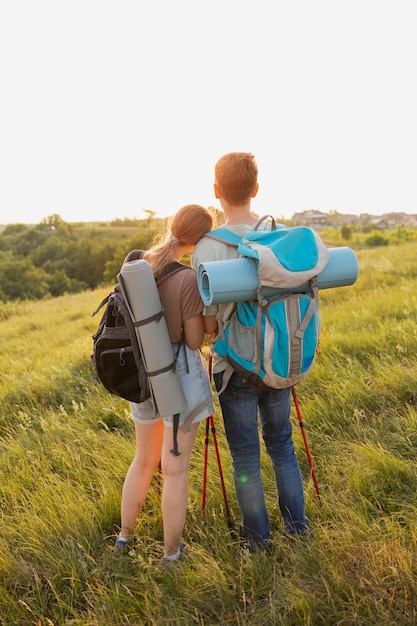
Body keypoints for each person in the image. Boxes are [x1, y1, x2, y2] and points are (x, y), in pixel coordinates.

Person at [192, 152, 310, 552]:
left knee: (245, 457)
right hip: (278, 358)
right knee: (282, 445)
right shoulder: (280, 238)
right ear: (256, 189)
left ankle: (258, 542)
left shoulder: (205, 247)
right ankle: (299, 529)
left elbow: (208, 324)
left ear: (216, 193)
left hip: (233, 367)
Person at [115, 204, 216, 565]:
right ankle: (171, 553)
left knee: (143, 460)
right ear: (200, 239)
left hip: (143, 376)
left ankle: (125, 538)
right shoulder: (187, 278)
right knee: (174, 469)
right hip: (178, 380)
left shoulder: (137, 265)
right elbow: (192, 342)